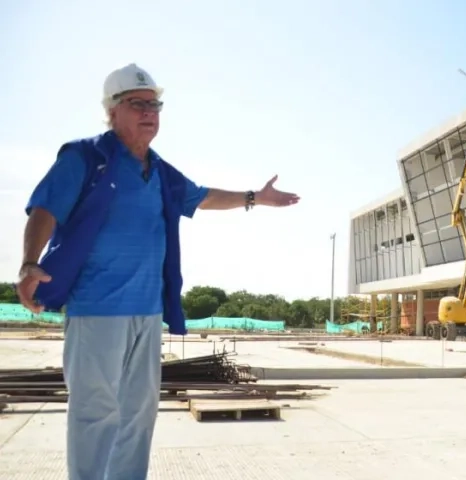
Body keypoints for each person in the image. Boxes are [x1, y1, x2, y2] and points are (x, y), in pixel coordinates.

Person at [14, 63, 300, 480]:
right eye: (137, 104)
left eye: (155, 105)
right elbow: (45, 208)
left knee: (139, 414)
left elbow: (203, 197)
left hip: (147, 313)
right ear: (112, 111)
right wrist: (28, 262)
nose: (150, 112)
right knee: (95, 412)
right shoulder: (85, 157)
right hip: (96, 309)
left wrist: (255, 197)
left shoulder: (160, 171)